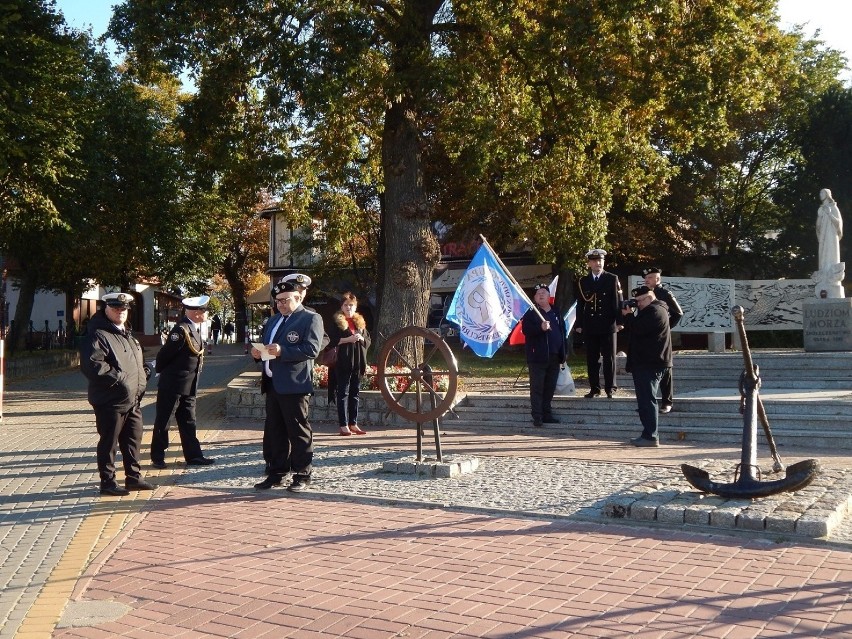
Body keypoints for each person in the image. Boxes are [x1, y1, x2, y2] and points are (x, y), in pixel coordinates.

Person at [252, 280, 325, 492]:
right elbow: (268, 349)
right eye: (277, 301)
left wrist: (283, 350)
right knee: (275, 431)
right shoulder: (273, 320)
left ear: (298, 298)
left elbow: (311, 349)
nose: (281, 305)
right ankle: (277, 473)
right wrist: (259, 354)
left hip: (294, 385)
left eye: (285, 300)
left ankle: (302, 474)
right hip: (273, 383)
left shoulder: (310, 318)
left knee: (298, 430)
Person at [80, 292, 154, 496]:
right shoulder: (98, 334)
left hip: (132, 400)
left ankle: (134, 478)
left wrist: (143, 372)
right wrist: (121, 381)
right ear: (106, 308)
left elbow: (132, 362)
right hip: (110, 401)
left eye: (124, 309)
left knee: (133, 439)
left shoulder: (125, 333)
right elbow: (94, 366)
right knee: (109, 442)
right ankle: (108, 482)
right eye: (115, 308)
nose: (120, 312)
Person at [150, 296, 216, 469]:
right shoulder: (181, 330)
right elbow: (164, 355)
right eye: (204, 310)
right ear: (195, 312)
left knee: (189, 421)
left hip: (189, 385)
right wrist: (163, 374)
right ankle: (157, 457)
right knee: (164, 421)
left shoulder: (193, 328)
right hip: (173, 385)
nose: (206, 313)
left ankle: (194, 456)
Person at [621, 285, 672, 447]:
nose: (638, 304)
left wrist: (628, 316)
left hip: (650, 363)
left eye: (639, 301)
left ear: (649, 297)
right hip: (647, 362)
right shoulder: (652, 310)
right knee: (645, 400)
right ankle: (648, 433)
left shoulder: (655, 311)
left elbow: (638, 329)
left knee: (647, 400)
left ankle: (651, 435)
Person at [575, 248, 623, 398]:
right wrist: (579, 324)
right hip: (590, 324)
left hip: (608, 324)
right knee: (592, 358)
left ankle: (611, 388)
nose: (598, 263)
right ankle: (594, 388)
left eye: (601, 260)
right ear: (589, 263)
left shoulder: (611, 278)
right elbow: (581, 304)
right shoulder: (583, 281)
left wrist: (619, 321)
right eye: (595, 261)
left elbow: (618, 301)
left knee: (609, 358)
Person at [521, 283, 567, 427]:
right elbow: (526, 330)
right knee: (537, 388)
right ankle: (537, 417)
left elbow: (562, 332)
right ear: (534, 298)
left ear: (549, 296)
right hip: (537, 357)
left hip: (554, 356)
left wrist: (563, 353)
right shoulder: (531, 313)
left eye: (544, 292)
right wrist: (540, 328)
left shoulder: (556, 311)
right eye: (538, 293)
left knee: (549, 388)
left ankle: (547, 414)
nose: (541, 295)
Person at [326, 292, 371, 435]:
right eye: (346, 305)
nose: (349, 308)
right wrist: (349, 339)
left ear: (355, 306)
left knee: (355, 393)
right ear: (342, 306)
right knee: (343, 393)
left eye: (351, 305)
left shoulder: (360, 322)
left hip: (357, 362)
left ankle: (353, 423)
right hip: (342, 361)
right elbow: (331, 340)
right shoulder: (337, 322)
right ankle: (343, 424)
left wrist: (361, 339)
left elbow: (368, 341)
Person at [642, 267, 683, 413]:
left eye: (650, 278)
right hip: (646, 336)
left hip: (661, 338)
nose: (647, 280)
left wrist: (665, 328)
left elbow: (678, 313)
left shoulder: (664, 294)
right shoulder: (643, 293)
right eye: (646, 278)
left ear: (657, 279)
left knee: (665, 367)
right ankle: (647, 403)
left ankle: (667, 401)